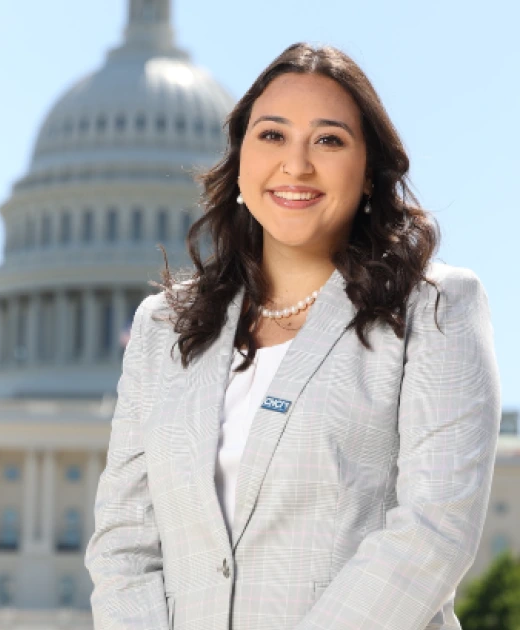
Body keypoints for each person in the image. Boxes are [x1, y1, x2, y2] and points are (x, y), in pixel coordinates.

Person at [84, 43, 500, 630]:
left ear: (369, 174)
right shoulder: (162, 327)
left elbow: (434, 530)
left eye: (328, 140)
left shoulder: (433, 308)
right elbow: (125, 544)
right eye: (272, 136)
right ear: (240, 162)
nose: (296, 166)